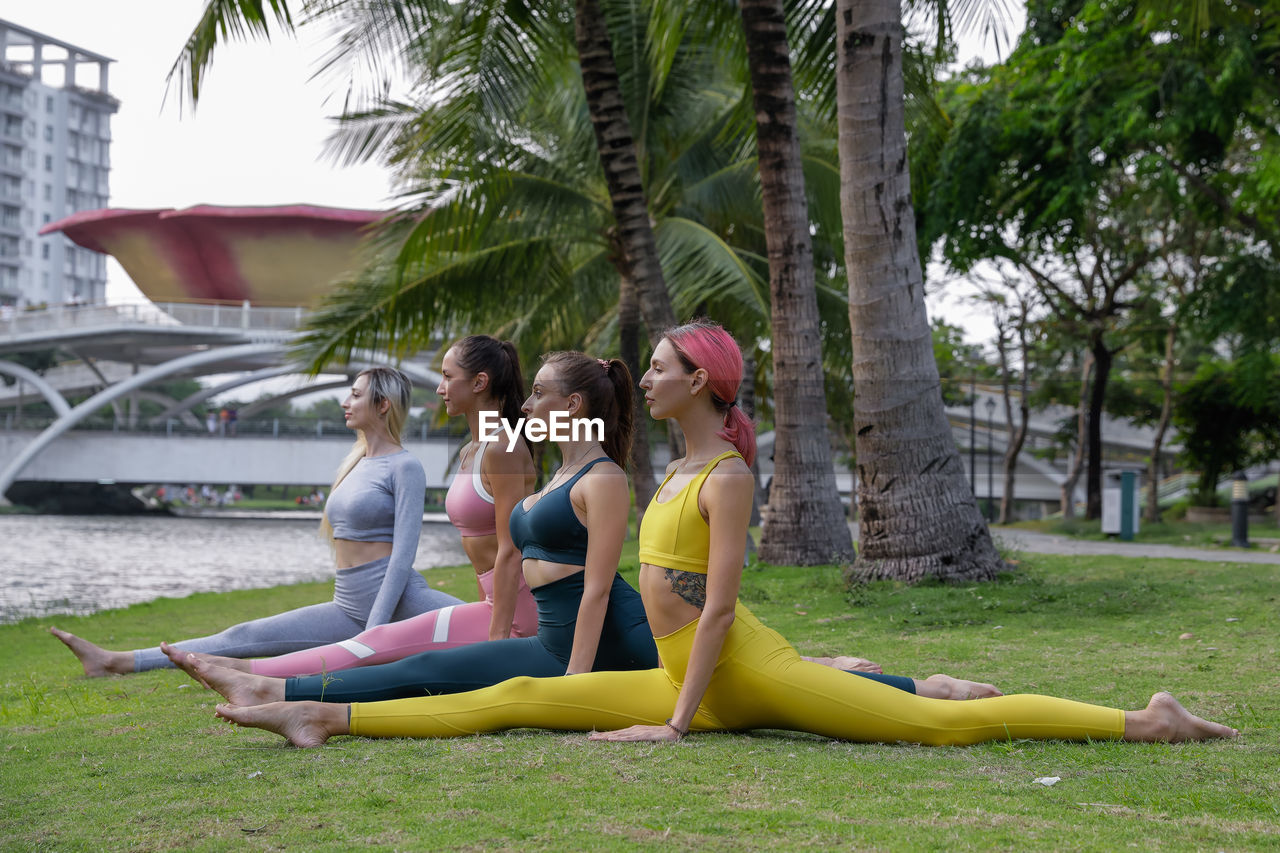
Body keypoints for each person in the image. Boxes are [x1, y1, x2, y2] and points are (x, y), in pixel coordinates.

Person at [213, 321, 1237, 748]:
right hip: (677, 673)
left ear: (697, 381)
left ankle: (1140, 721)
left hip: (738, 675)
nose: (644, 377)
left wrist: (675, 722)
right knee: (518, 692)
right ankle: (321, 717)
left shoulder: (730, 476)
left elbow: (717, 612)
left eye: (658, 367)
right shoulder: (676, 467)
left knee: (931, 729)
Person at [181, 352, 944, 709]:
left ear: (569, 405)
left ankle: (278, 686)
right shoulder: (529, 458)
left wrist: (575, 677)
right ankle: (277, 683)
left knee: (431, 668)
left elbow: (600, 584)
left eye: (539, 391)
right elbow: (510, 524)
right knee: (426, 663)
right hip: (538, 622)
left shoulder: (576, 468)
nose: (527, 401)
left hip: (603, 636)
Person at [156, 335, 542, 679]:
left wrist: (498, 646)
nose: (440, 388)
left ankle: (249, 674)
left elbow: (509, 550)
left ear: (479, 383)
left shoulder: (504, 446)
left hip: (516, 616)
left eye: (447, 376)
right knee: (389, 649)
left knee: (381, 646)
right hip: (493, 606)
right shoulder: (472, 450)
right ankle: (248, 672)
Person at [50, 366, 467, 676]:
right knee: (243, 636)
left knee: (492, 633)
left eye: (355, 395)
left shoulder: (405, 467)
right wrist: (365, 630)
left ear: (382, 405)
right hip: (349, 601)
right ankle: (116, 662)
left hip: (399, 603)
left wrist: (373, 635)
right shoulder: (355, 464)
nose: (345, 402)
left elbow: (402, 558)